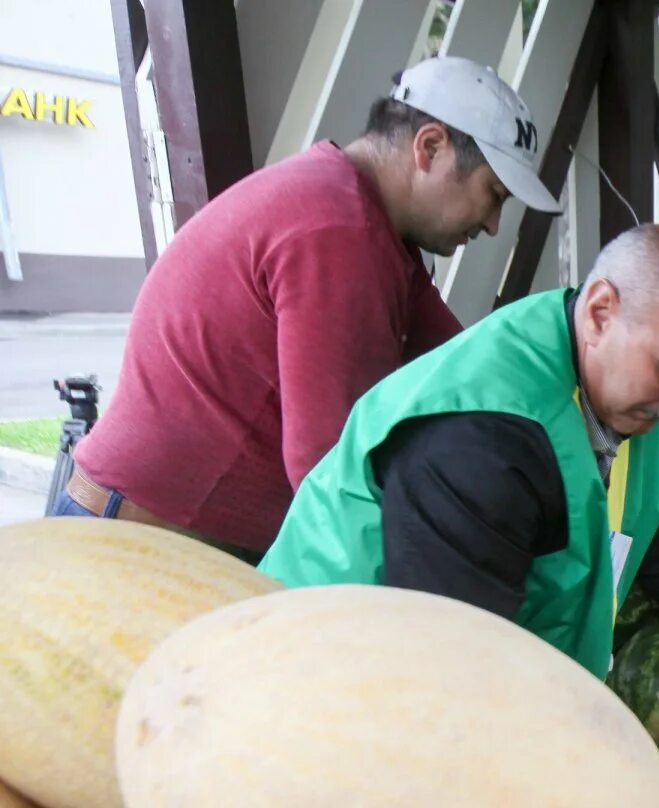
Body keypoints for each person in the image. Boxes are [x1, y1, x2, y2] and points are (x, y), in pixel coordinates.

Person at [258, 224, 659, 674]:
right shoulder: (481, 449)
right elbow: (455, 671)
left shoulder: (612, 384)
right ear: (600, 313)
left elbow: (639, 523)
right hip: (328, 679)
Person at [54, 56, 561, 557]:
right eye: (493, 195)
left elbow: (466, 370)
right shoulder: (338, 231)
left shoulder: (370, 226)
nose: (493, 224)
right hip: (137, 549)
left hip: (173, 541)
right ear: (429, 147)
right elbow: (328, 473)